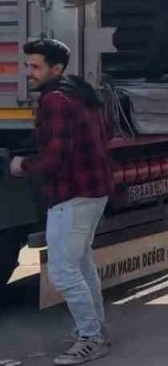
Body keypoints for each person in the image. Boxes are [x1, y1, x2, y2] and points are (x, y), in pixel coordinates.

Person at [10, 39, 113, 365]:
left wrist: (21, 165)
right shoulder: (81, 91)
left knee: (63, 271)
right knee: (81, 264)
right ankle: (95, 331)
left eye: (35, 66)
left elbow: (55, 159)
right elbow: (107, 134)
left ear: (56, 69)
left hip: (72, 195)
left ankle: (91, 338)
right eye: (27, 65)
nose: (28, 72)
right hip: (93, 191)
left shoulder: (55, 100)